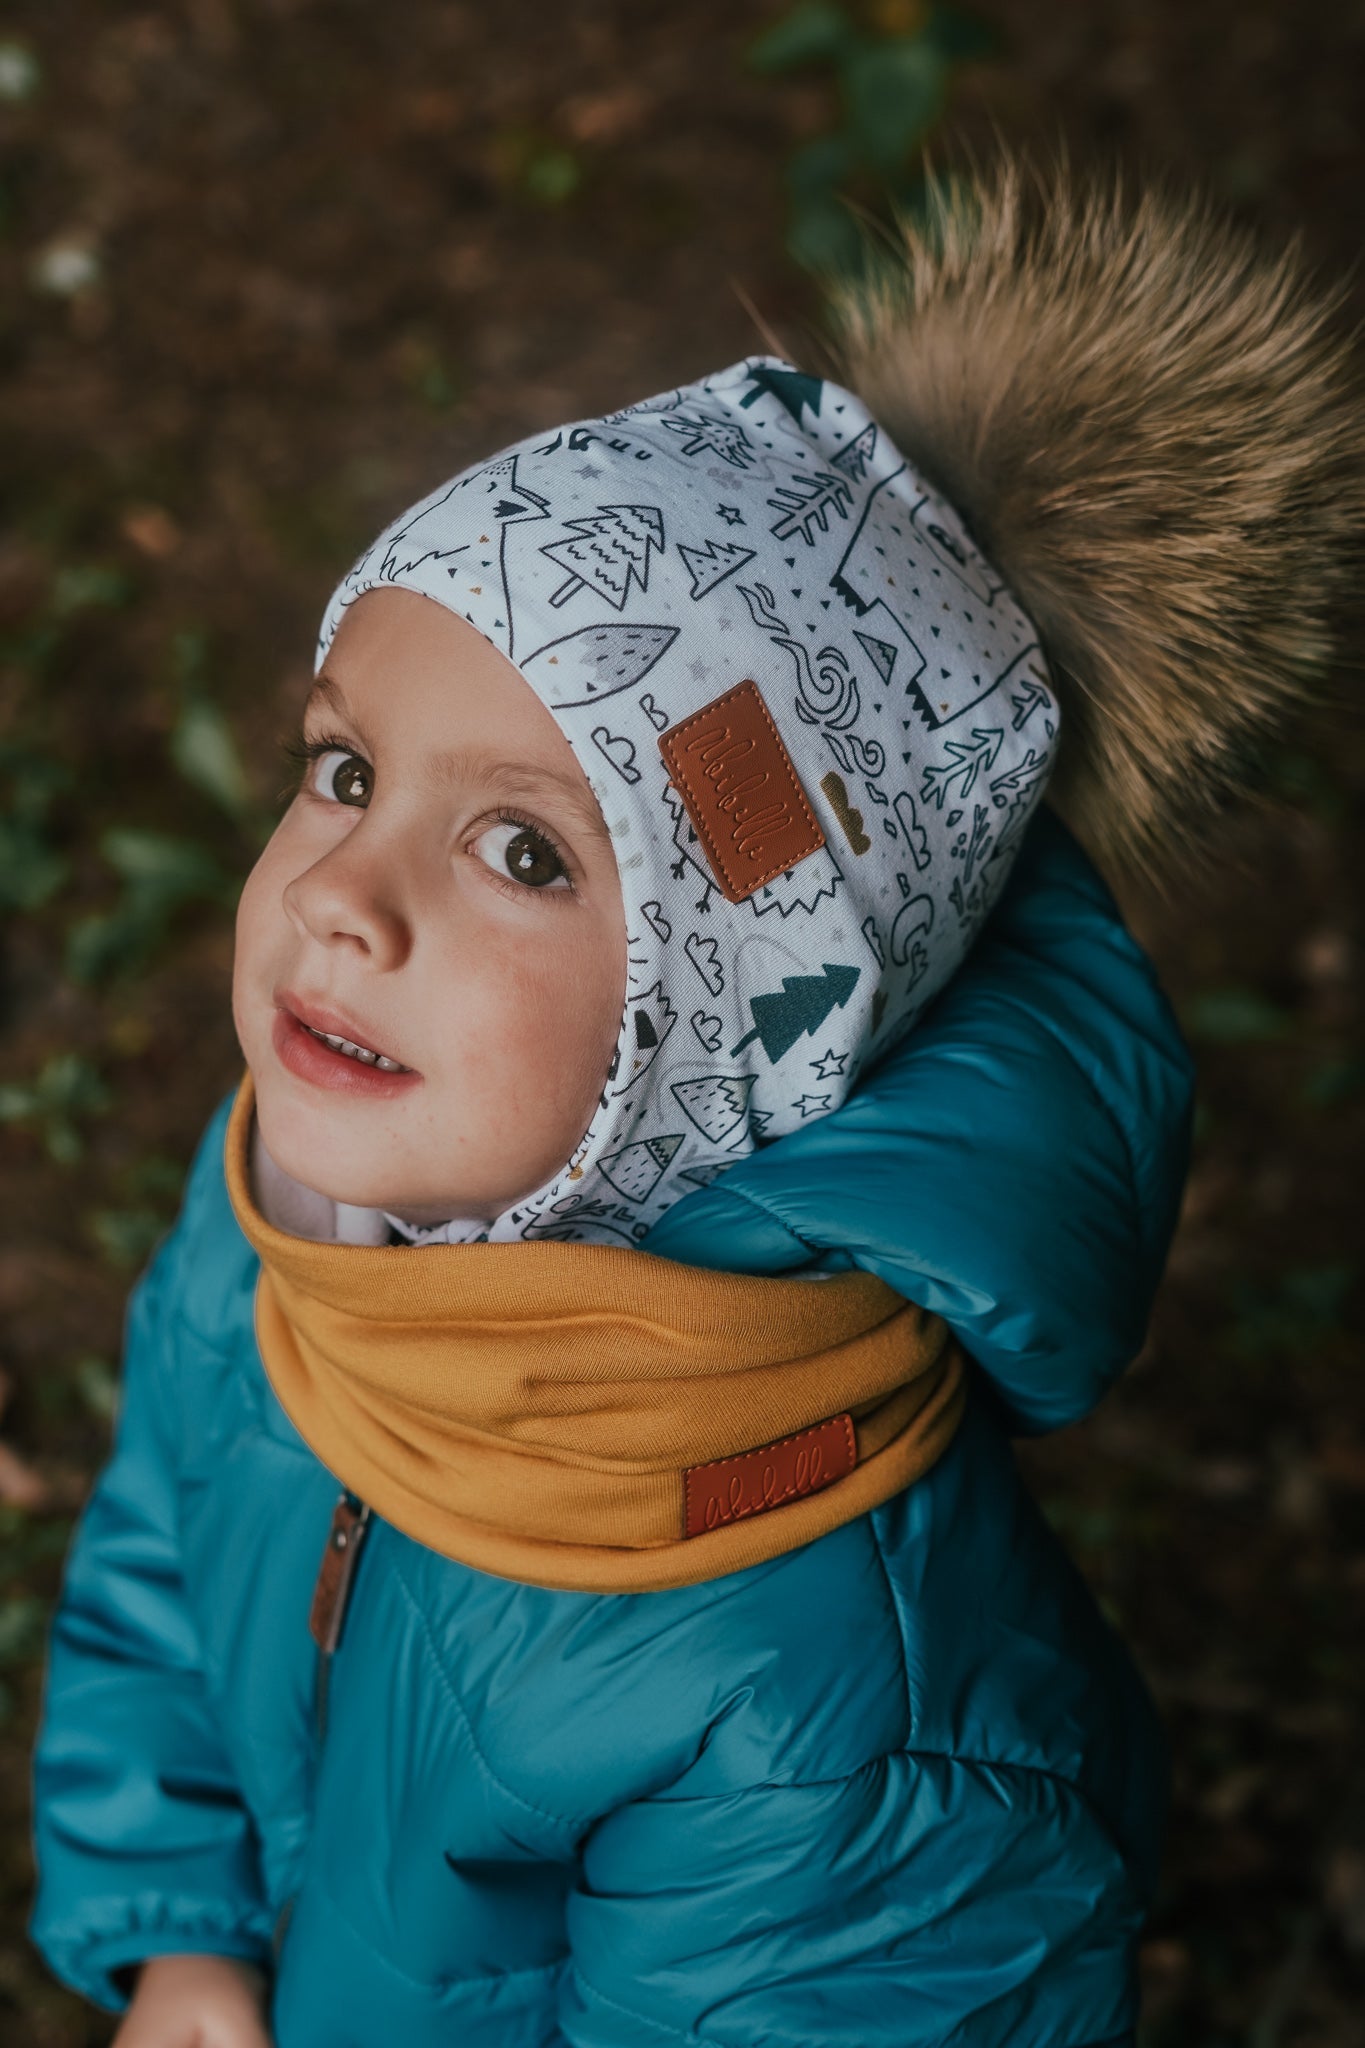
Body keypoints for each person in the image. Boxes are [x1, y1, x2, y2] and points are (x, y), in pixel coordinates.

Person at [29, 161, 1361, 2047]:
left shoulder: (816, 1706)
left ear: (735, 1017)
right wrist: (182, 1935)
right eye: (344, 768)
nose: (337, 891)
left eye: (519, 847)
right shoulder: (297, 1198)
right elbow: (166, 1550)